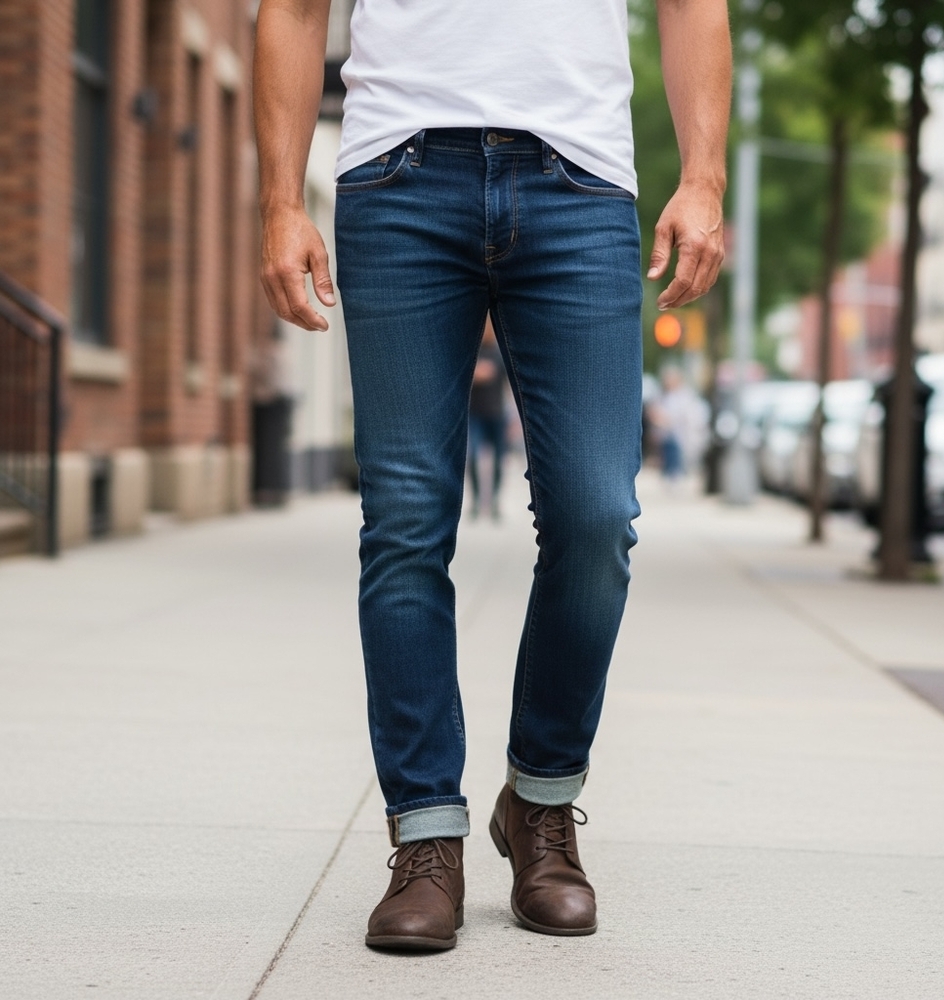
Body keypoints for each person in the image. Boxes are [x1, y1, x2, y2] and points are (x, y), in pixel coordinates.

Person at [254, 0, 730, 950]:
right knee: (403, 523)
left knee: (597, 514)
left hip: (580, 178)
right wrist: (279, 199)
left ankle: (540, 805)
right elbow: (296, 10)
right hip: (398, 172)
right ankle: (426, 837)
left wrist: (705, 176)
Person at [467, 319, 509, 521]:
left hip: (497, 414)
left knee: (499, 460)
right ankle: (475, 501)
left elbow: (509, 385)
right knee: (473, 456)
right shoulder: (471, 350)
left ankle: (494, 501)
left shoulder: (500, 353)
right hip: (474, 414)